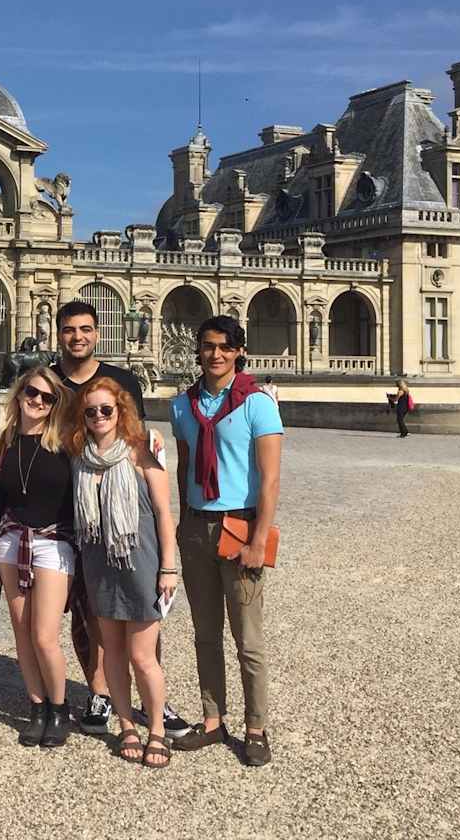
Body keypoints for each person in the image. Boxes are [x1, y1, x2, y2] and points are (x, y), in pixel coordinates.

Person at [50, 299, 190, 741]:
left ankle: (155, 700)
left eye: (86, 329)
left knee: (142, 617)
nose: (79, 337)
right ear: (58, 334)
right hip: (70, 514)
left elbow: (142, 441)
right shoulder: (46, 382)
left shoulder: (122, 380)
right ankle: (100, 692)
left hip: (126, 525)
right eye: (70, 329)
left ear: (97, 332)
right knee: (89, 616)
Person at [169, 315, 283, 767]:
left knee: (248, 638)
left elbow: (270, 481)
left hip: (239, 526)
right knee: (204, 634)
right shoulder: (182, 407)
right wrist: (181, 521)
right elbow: (183, 469)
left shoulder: (258, 404)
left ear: (238, 351)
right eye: (207, 346)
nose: (214, 354)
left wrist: (258, 540)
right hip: (197, 525)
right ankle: (213, 720)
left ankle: (256, 727)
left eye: (223, 346)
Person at [68, 378, 178, 769]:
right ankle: (127, 724)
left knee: (142, 656)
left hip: (141, 563)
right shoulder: (79, 456)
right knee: (111, 652)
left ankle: (157, 731)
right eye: (90, 411)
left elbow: (165, 514)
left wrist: (169, 567)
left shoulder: (143, 451)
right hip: (99, 565)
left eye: (106, 410)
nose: (98, 416)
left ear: (121, 411)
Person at [0, 366, 77, 747]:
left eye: (47, 397)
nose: (38, 401)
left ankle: (59, 709)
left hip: (53, 542)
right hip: (12, 542)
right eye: (32, 393)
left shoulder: (66, 441)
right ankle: (37, 706)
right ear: (20, 394)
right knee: (22, 630)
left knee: (44, 635)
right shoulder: (6, 438)